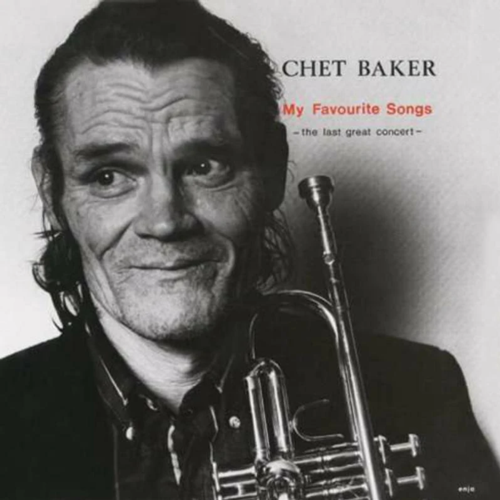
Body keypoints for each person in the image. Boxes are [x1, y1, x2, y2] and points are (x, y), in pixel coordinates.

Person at [0, 1, 498, 499]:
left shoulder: (419, 391)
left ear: (273, 169)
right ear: (51, 191)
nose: (165, 221)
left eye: (204, 166)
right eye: (108, 176)